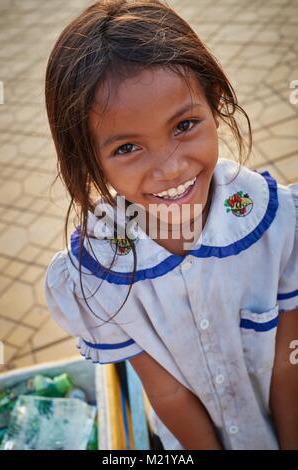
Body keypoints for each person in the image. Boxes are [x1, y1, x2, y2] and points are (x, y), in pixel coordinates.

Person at [43, 0, 298, 450]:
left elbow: (288, 364)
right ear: (88, 159)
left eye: (184, 124)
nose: (170, 168)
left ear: (215, 101)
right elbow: (168, 393)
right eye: (126, 148)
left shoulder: (275, 222)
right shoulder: (101, 270)